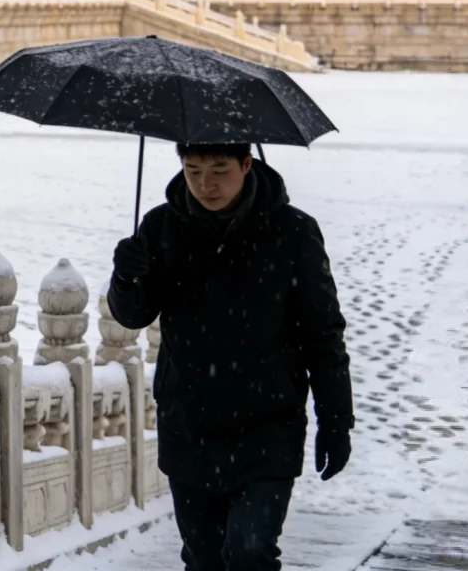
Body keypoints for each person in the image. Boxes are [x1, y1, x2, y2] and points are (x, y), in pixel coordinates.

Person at [108, 143, 352, 571]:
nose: (205, 184)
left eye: (219, 170)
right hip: (189, 422)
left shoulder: (293, 231)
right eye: (193, 169)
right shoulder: (162, 226)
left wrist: (335, 422)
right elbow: (132, 315)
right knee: (203, 559)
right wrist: (125, 274)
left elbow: (323, 333)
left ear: (246, 164)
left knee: (250, 552)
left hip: (268, 424)